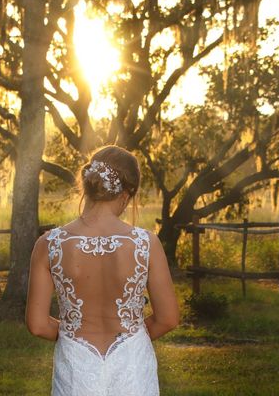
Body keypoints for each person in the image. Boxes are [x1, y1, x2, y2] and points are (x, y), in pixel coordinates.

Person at [25, 145, 180, 395]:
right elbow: (168, 319)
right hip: (133, 365)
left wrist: (72, 336)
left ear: (88, 185)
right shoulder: (145, 243)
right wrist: (132, 339)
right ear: (127, 193)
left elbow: (37, 325)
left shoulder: (50, 244)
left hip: (76, 367)